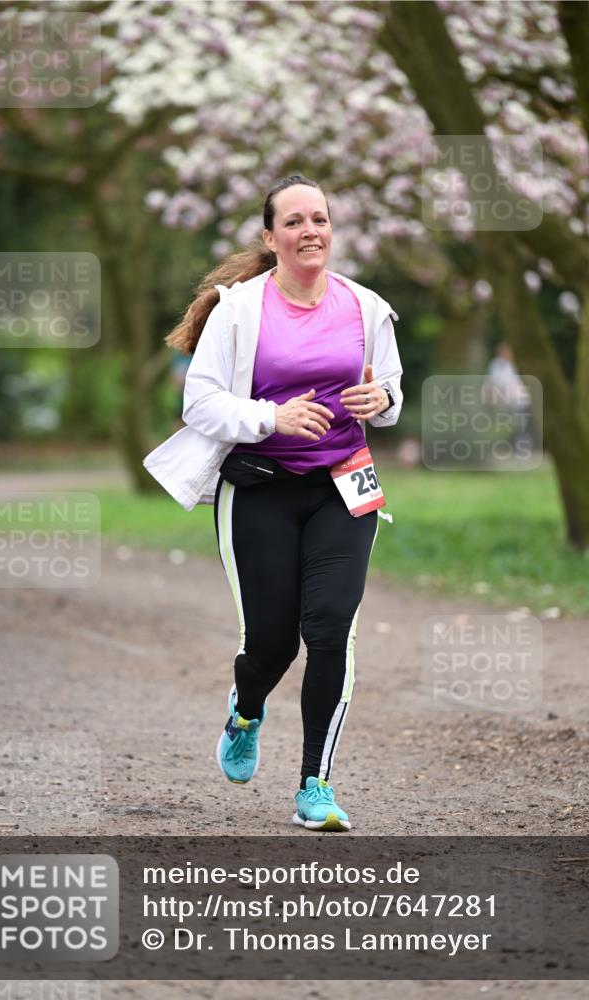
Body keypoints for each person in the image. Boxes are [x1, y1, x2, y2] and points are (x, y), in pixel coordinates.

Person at [144, 174, 403, 832]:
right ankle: (245, 709)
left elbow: (390, 390)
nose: (308, 230)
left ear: (330, 230)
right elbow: (198, 403)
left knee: (329, 631)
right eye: (293, 221)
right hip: (257, 487)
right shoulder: (238, 310)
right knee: (270, 644)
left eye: (318, 218)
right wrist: (272, 418)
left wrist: (383, 402)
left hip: (343, 485)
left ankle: (315, 782)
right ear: (271, 237)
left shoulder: (366, 308)